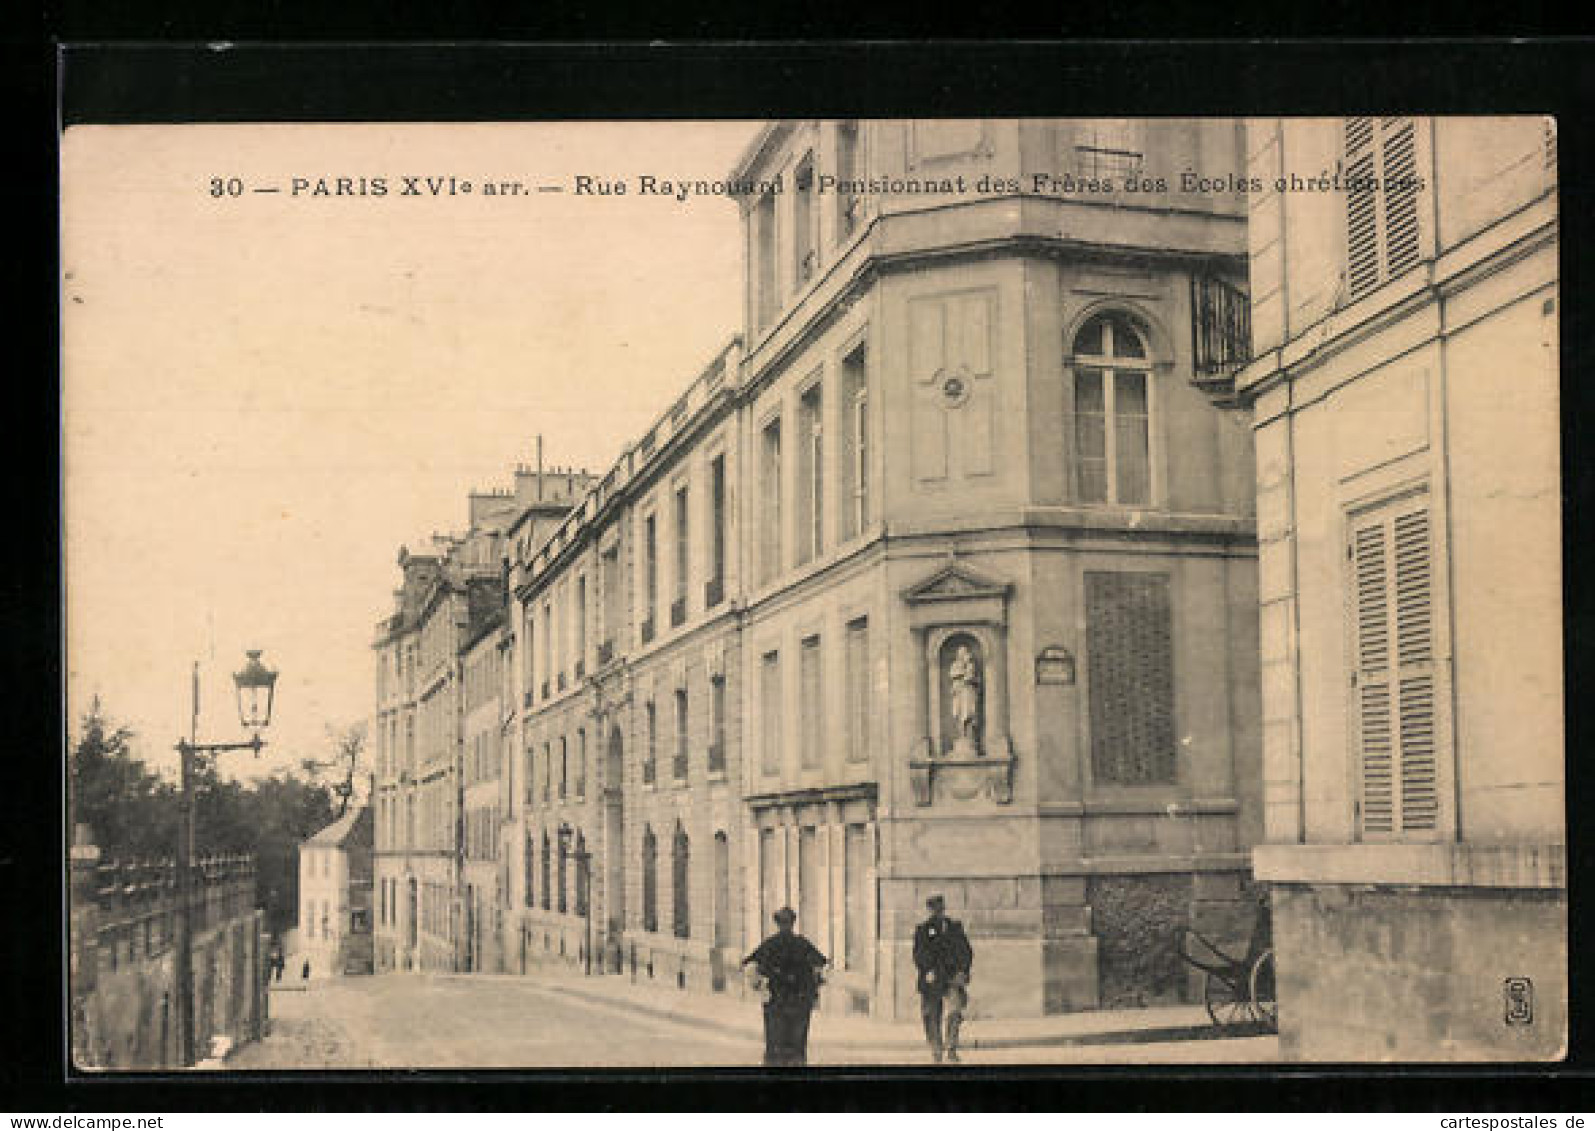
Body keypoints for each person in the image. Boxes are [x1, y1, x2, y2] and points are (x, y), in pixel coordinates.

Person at [742, 907, 828, 1066]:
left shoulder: (770, 944)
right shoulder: (803, 944)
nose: (785, 926)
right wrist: (815, 986)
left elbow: (749, 964)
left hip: (777, 1002)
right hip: (798, 1003)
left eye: (785, 922)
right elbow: (822, 966)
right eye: (784, 923)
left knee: (776, 1046)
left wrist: (759, 985)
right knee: (797, 1048)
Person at [913, 894, 973, 1063]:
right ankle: (936, 1049)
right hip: (932, 979)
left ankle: (951, 1048)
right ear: (928, 910)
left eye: (939, 909)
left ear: (943, 909)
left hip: (952, 978)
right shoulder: (923, 930)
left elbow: (966, 951)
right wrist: (927, 969)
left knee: (954, 1012)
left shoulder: (955, 927)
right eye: (933, 910)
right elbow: (919, 954)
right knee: (931, 1015)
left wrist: (963, 971)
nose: (936, 913)